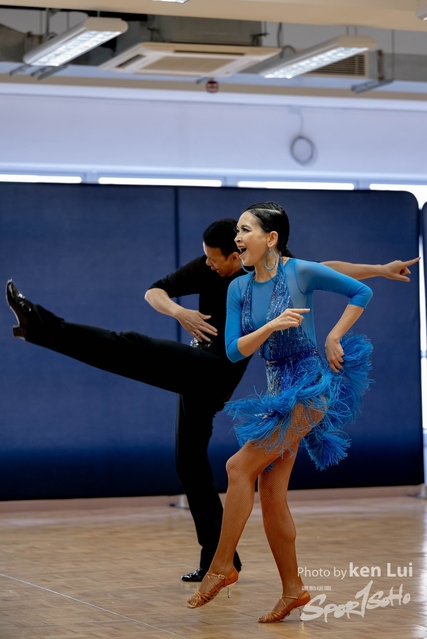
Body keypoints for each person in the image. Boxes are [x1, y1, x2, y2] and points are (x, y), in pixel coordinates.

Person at [5, 217, 418, 587]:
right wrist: (179, 313)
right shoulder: (209, 266)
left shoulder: (261, 270)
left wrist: (379, 270)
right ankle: (219, 559)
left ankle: (40, 325)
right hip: (195, 369)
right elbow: (154, 291)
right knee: (188, 462)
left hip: (216, 369)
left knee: (129, 346)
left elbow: (327, 269)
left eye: (216, 258)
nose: (208, 264)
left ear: (237, 255)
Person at [186, 201, 377, 621]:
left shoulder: (299, 271)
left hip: (308, 390)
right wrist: (270, 326)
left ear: (271, 238)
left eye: (245, 230)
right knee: (271, 494)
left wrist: (334, 336)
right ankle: (293, 589)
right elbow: (234, 351)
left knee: (238, 467)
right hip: (277, 391)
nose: (237, 237)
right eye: (237, 230)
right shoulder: (238, 288)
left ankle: (221, 566)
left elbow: (360, 291)